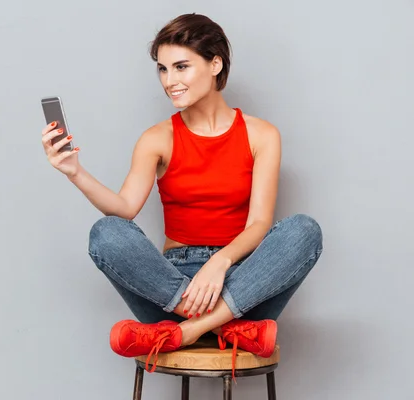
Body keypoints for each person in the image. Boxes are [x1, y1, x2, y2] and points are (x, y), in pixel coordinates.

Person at [40, 13, 323, 379]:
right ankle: (223, 325)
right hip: (171, 288)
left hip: (242, 278)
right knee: (105, 232)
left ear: (215, 63)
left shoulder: (261, 134)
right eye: (162, 69)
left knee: (304, 230)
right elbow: (124, 208)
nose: (169, 81)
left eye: (181, 67)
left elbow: (259, 224)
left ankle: (188, 331)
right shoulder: (156, 138)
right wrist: (74, 172)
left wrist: (219, 263)